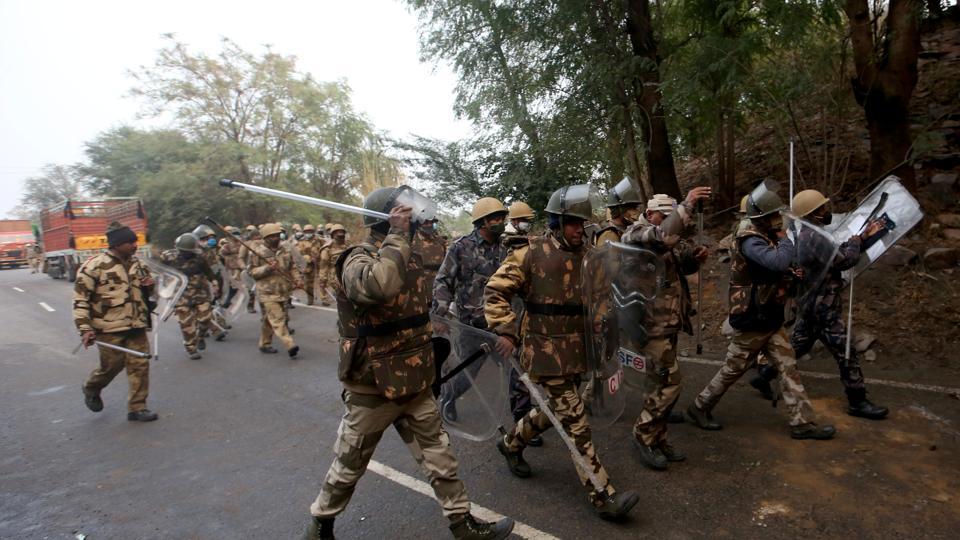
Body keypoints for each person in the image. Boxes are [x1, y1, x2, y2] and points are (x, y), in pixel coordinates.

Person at [305, 187, 514, 540]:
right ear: (389, 218)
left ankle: (462, 524)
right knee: (349, 465)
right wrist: (399, 234)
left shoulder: (410, 254)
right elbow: (379, 287)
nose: (416, 218)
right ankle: (320, 524)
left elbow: (427, 303)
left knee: (440, 458)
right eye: (406, 214)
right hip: (374, 385)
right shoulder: (356, 258)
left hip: (415, 379)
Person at [484, 184, 639, 520]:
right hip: (544, 351)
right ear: (555, 222)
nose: (578, 230)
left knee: (555, 411)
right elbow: (495, 292)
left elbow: (599, 299)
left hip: (578, 351)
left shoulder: (588, 256)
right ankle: (603, 496)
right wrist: (506, 329)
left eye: (581, 223)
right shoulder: (530, 253)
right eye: (571, 223)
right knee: (576, 422)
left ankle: (511, 443)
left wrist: (604, 327)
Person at [687, 181, 836, 440]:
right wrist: (787, 239)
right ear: (763, 218)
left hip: (769, 315)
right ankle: (700, 406)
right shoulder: (749, 239)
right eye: (775, 216)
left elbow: (771, 269)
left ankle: (801, 422)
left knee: (788, 366)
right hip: (753, 317)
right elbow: (776, 261)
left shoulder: (762, 232)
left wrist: (792, 273)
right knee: (733, 368)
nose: (780, 219)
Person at [620, 188, 710, 470]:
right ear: (649, 214)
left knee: (658, 383)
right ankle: (643, 434)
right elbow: (662, 238)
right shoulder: (636, 233)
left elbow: (680, 263)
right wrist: (687, 205)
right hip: (649, 326)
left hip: (668, 322)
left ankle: (658, 438)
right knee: (670, 384)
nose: (669, 219)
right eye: (664, 215)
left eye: (672, 215)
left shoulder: (665, 237)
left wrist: (695, 258)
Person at [789, 189, 889, 420]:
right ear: (812, 213)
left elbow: (833, 255)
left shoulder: (807, 234)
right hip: (823, 307)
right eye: (821, 209)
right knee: (847, 353)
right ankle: (858, 401)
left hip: (812, 304)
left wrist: (857, 240)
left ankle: (763, 374)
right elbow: (844, 261)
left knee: (798, 346)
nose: (826, 212)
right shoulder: (815, 237)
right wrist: (856, 241)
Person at [432, 198, 510, 423]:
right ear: (482, 222)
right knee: (468, 373)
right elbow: (443, 281)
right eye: (495, 218)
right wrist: (440, 313)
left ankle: (522, 424)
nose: (500, 222)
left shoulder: (506, 248)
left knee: (516, 372)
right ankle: (449, 396)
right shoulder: (461, 247)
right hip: (472, 326)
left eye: (502, 217)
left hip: (501, 325)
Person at [75, 222, 158, 422]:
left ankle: (137, 408)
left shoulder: (139, 265)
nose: (134, 245)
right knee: (111, 367)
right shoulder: (93, 266)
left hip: (136, 325)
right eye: (129, 242)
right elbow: (81, 300)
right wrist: (84, 328)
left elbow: (151, 295)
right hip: (109, 328)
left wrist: (150, 287)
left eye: (134, 241)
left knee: (139, 365)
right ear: (116, 244)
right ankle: (91, 387)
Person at [162, 233, 226, 360]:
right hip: (181, 296)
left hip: (200, 294)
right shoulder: (169, 259)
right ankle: (191, 348)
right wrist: (164, 291)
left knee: (205, 318)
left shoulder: (199, 258)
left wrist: (215, 284)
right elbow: (162, 274)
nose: (188, 253)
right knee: (187, 325)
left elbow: (209, 273)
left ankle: (200, 337)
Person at [248, 223, 301, 358]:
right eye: (272, 236)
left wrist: (297, 279)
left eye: (277, 235)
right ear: (265, 237)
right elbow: (252, 272)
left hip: (283, 290)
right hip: (267, 292)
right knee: (278, 319)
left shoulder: (285, 249)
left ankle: (264, 343)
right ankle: (290, 344)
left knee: (269, 319)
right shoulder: (257, 252)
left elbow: (292, 267)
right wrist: (267, 268)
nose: (276, 238)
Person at [595, 177, 643, 246]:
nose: (636, 211)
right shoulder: (609, 235)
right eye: (632, 207)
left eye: (635, 207)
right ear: (620, 209)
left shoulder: (628, 227)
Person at [316, 224, 349, 306]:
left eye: (342, 232)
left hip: (348, 273)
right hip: (335, 276)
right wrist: (322, 279)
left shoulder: (348, 245)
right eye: (338, 232)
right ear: (333, 234)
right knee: (342, 297)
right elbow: (323, 266)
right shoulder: (327, 248)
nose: (340, 234)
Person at [298, 224, 321, 305]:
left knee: (322, 281)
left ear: (313, 231)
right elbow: (299, 254)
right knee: (308, 284)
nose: (308, 233)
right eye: (307, 232)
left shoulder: (318, 239)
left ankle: (325, 299)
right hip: (308, 265)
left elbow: (324, 248)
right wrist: (309, 258)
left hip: (319, 264)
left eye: (310, 231)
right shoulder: (301, 241)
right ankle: (310, 299)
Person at [240, 225, 262, 314]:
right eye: (255, 236)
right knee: (251, 291)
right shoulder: (246, 245)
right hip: (250, 271)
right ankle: (250, 305)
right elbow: (240, 257)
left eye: (259, 235)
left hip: (262, 270)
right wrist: (244, 267)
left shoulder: (264, 243)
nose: (258, 238)